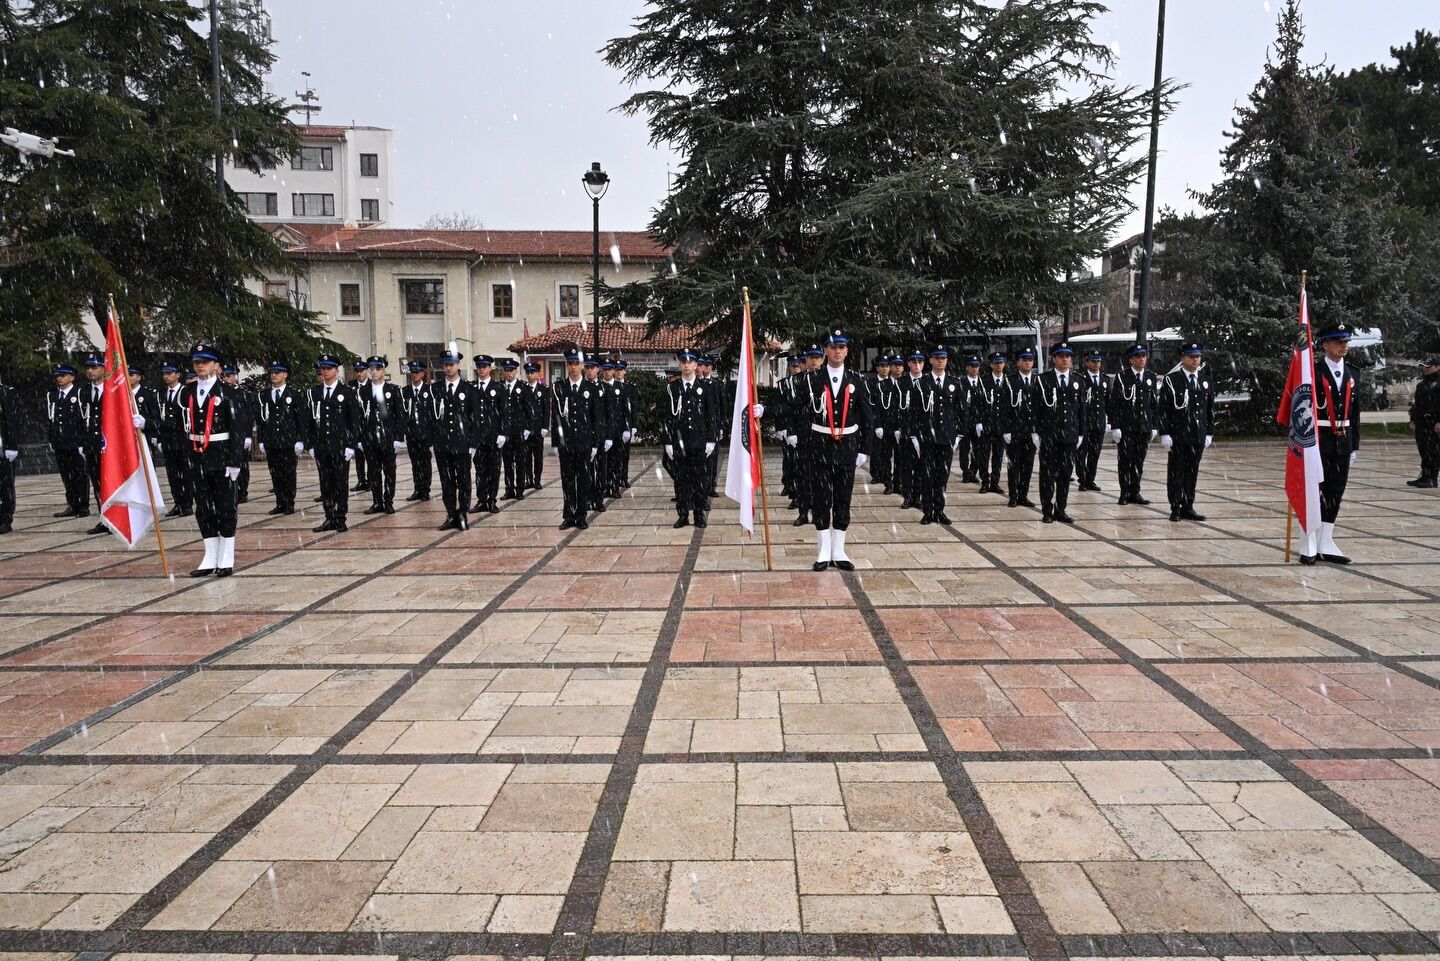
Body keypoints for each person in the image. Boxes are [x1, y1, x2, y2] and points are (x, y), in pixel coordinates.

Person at [796, 329, 873, 571]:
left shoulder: (857, 380)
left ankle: (839, 550)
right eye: (832, 347)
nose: (837, 351)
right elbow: (795, 406)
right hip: (820, 446)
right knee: (820, 499)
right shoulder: (813, 379)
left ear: (847, 350)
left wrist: (865, 449)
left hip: (847, 448)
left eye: (841, 347)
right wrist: (765, 410)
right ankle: (823, 550)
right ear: (825, 351)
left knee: (843, 498)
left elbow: (868, 417)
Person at [178, 344, 246, 576]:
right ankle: (209, 555)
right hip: (196, 457)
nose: (200, 365)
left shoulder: (229, 392)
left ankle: (226, 556)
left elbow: (237, 429)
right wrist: (146, 424)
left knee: (226, 506)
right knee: (204, 508)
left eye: (205, 361)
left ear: (216, 366)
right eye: (197, 361)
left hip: (222, 454)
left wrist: (236, 461)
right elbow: (178, 426)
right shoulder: (185, 393)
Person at [1303, 324, 1362, 563]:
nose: (1343, 345)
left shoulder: (1354, 373)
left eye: (1345, 341)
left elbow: (1355, 412)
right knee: (1313, 492)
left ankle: (1326, 540)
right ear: (1325, 345)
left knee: (1335, 491)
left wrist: (1354, 445)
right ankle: (1308, 541)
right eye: (1337, 341)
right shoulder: (1312, 372)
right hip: (1319, 438)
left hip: (1343, 439)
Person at [1158, 342, 1215, 524]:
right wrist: (1164, 432)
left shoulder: (1205, 379)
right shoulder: (1172, 379)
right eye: (1191, 356)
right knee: (1176, 472)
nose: (1195, 359)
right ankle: (1175, 506)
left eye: (1198, 356)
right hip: (1178, 434)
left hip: (1197, 434)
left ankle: (1188, 506)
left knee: (1192, 472)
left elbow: (1209, 408)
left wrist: (1209, 432)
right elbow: (1164, 408)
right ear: (1183, 359)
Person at [664, 348, 719, 528]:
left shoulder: (705, 388)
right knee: (681, 481)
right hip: (680, 443)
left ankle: (699, 514)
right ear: (680, 364)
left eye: (690, 362)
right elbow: (667, 418)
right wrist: (667, 442)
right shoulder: (672, 388)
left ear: (696, 365)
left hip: (699, 442)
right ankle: (682, 514)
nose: (686, 365)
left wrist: (711, 439)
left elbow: (711, 415)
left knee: (701, 480)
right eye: (683, 362)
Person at [305, 355, 361, 532]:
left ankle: (340, 517)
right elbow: (309, 421)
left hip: (340, 446)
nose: (325, 371)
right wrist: (311, 444)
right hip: (322, 446)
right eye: (323, 368)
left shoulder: (347, 393)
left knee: (341, 483)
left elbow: (354, 421)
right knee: (325, 483)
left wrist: (351, 445)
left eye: (329, 368)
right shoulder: (314, 393)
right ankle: (329, 517)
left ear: (337, 370)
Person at [1031, 342, 1084, 524]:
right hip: (1049, 435)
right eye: (1061, 356)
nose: (1065, 359)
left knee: (1065, 474)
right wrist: (1035, 431)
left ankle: (1061, 508)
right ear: (1054, 359)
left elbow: (1082, 409)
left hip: (1069, 435)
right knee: (1047, 474)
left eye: (1068, 356)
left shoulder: (1078, 380)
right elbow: (1035, 408)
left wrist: (1081, 433)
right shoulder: (1043, 380)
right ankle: (1047, 509)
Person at [551, 349, 603, 530]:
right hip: (566, 443)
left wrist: (595, 443)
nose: (573, 367)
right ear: (567, 365)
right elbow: (556, 417)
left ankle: (581, 515)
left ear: (582, 365)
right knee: (567, 481)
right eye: (570, 363)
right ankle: (569, 515)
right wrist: (556, 442)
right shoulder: (559, 387)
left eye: (576, 363)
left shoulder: (591, 389)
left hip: (584, 442)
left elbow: (597, 419)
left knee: (583, 480)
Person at [429, 349, 480, 531]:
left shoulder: (469, 390)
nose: (449, 368)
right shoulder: (435, 389)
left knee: (464, 481)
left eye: (452, 364)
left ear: (458, 365)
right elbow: (430, 418)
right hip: (443, 445)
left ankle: (462, 513)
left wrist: (473, 443)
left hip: (462, 444)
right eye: (446, 364)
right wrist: (431, 442)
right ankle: (451, 514)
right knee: (447, 482)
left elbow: (475, 419)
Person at [1107, 342, 1159, 505]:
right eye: (1138, 356)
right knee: (1125, 461)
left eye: (1144, 356)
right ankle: (1124, 492)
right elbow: (1114, 403)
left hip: (1144, 426)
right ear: (1131, 360)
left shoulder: (1150, 376)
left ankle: (1135, 492)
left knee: (1139, 461)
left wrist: (1155, 426)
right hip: (1127, 427)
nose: (1142, 359)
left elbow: (1154, 404)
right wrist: (1115, 425)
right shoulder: (1122, 377)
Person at [356, 356, 406, 515]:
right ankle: (377, 502)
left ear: (383, 371)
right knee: (373, 471)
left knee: (390, 471)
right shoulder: (362, 392)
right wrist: (359, 438)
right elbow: (358, 417)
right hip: (370, 439)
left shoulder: (393, 390)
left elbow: (400, 416)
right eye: (372, 369)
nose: (374, 372)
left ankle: (388, 501)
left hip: (388, 438)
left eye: (377, 369)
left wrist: (399, 438)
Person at [255, 361, 305, 515]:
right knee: (275, 473)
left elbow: (300, 419)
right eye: (272, 372)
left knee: (289, 473)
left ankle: (289, 502)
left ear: (285, 374)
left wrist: (300, 439)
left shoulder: (294, 394)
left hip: (288, 440)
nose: (274, 375)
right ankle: (280, 502)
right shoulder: (263, 395)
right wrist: (261, 440)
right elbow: (261, 419)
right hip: (272, 440)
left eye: (277, 372)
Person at [47, 363, 90, 518]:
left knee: (80, 474)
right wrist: (51, 439)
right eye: (58, 376)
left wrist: (82, 442)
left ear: (72, 377)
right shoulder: (52, 395)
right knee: (66, 476)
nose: (59, 378)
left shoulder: (79, 393)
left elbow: (84, 419)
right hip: (60, 442)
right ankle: (72, 504)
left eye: (63, 375)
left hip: (76, 442)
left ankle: (83, 506)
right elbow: (51, 419)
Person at [1002, 347, 1039, 509]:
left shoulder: (1038, 380)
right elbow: (1003, 408)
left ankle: (1023, 494)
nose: (1027, 362)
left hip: (1031, 431)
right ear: (1018, 362)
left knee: (1028, 464)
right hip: (1014, 430)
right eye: (1024, 360)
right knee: (1013, 465)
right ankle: (1013, 495)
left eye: (1030, 360)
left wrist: (1038, 430)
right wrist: (1006, 429)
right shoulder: (1009, 381)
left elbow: (1041, 408)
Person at [156, 362, 193, 517]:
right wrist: (158, 438)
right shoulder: (160, 394)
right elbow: (157, 415)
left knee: (187, 473)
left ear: (178, 375)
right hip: (167, 440)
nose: (167, 376)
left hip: (183, 439)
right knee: (172, 475)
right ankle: (178, 502)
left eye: (170, 373)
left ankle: (187, 504)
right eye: (164, 373)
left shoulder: (186, 392)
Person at [499, 358, 537, 499]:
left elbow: (530, 410)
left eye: (511, 370)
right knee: (507, 462)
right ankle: (509, 489)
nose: (509, 373)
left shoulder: (523, 388)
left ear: (516, 371)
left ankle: (520, 489)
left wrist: (528, 428)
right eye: (506, 371)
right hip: (506, 432)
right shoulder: (500, 388)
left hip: (519, 431)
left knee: (520, 461)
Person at [894, 348, 927, 510]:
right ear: (908, 364)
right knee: (906, 466)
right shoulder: (901, 383)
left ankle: (918, 496)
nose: (917, 365)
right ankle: (907, 496)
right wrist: (896, 428)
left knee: (921, 467)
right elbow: (895, 409)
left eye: (920, 362)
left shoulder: (928, 383)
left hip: (923, 433)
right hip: (906, 432)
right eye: (914, 362)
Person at [220, 365, 254, 504]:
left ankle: (242, 491)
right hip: (228, 435)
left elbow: (248, 416)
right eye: (225, 376)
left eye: (229, 375)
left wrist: (248, 435)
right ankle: (231, 490)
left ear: (236, 376)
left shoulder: (243, 393)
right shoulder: (222, 392)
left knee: (242, 465)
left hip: (241, 434)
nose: (227, 378)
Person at [1076, 349, 1109, 492]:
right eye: (1093, 361)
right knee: (1081, 453)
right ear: (1087, 362)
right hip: (1084, 422)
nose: (1096, 364)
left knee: (1095, 453)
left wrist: (1111, 421)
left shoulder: (1105, 379)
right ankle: (1082, 479)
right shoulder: (1080, 378)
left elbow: (1108, 402)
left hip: (1099, 422)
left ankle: (1090, 479)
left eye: (1098, 361)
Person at [81, 354, 106, 534]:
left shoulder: (114, 390)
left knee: (112, 482)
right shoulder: (83, 391)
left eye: (95, 367)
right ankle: (104, 518)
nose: (90, 371)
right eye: (88, 367)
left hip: (110, 445)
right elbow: (79, 420)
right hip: (91, 444)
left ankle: (118, 518)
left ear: (104, 369)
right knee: (97, 483)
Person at [975, 352, 1007, 496]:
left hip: (1001, 425)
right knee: (983, 455)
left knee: (998, 456)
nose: (998, 365)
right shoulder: (983, 381)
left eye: (1001, 362)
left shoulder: (1008, 381)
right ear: (991, 364)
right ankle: (985, 482)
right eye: (996, 362)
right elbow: (978, 404)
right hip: (986, 424)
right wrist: (979, 422)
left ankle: (995, 482)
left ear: (1004, 364)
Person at [401, 360, 433, 501]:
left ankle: (425, 490)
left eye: (418, 372)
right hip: (411, 433)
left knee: (425, 463)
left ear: (423, 373)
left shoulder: (430, 391)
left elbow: (434, 414)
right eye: (413, 372)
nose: (415, 375)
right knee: (415, 464)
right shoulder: (405, 391)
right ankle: (417, 489)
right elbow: (402, 413)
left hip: (426, 434)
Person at [1407, 356, 1439, 488]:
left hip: (1434, 423)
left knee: (1434, 450)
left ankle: (1432, 478)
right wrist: (1413, 419)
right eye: (1424, 366)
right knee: (1424, 450)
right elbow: (1417, 404)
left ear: (1437, 366)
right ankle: (1425, 476)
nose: (1425, 368)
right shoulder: (1422, 384)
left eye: (1428, 366)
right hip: (1422, 423)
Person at [866, 356, 895, 489]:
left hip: (889, 423)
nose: (884, 368)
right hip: (875, 423)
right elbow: (870, 406)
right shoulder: (870, 383)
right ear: (877, 368)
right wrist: (876, 424)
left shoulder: (893, 384)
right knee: (875, 451)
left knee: (887, 452)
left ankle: (886, 476)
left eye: (886, 366)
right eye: (882, 366)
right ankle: (876, 474)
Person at [598, 360, 624, 499]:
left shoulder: (620, 387)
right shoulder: (599, 387)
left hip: (617, 430)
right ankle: (604, 487)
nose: (607, 372)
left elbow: (625, 409)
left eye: (609, 369)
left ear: (614, 371)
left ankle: (614, 487)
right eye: (605, 369)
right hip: (604, 430)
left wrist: (627, 428)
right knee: (603, 463)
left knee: (616, 461)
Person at [956, 356, 984, 484]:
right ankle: (965, 472)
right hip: (965, 422)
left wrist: (982, 421)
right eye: (972, 366)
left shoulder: (983, 383)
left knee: (978, 449)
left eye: (976, 366)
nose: (974, 368)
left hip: (979, 422)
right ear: (967, 367)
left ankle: (973, 471)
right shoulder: (961, 383)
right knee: (964, 449)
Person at [525, 361, 551, 490]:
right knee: (526, 456)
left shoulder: (543, 389)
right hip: (527, 429)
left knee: (538, 456)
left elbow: (547, 409)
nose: (530, 375)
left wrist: (545, 426)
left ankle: (537, 479)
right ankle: (528, 479)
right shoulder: (523, 389)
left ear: (538, 374)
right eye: (528, 373)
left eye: (532, 372)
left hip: (538, 428)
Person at [0, 377, 21, 535]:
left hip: (2, 446)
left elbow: (12, 420)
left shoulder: (6, 392)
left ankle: (6, 518)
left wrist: (11, 446)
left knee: (5, 485)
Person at [615, 360, 638, 489]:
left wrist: (634, 425)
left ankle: (624, 477)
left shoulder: (630, 387)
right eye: (617, 369)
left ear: (625, 371)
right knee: (615, 456)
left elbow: (634, 407)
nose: (619, 372)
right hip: (614, 426)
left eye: (621, 369)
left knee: (625, 455)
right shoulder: (610, 386)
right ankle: (616, 478)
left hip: (627, 425)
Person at [349, 360, 370, 493]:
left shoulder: (372, 385)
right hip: (356, 425)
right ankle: (361, 480)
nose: (359, 373)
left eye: (361, 370)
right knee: (358, 456)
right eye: (357, 371)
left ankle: (372, 480)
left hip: (369, 424)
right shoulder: (351, 386)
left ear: (366, 371)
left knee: (371, 456)